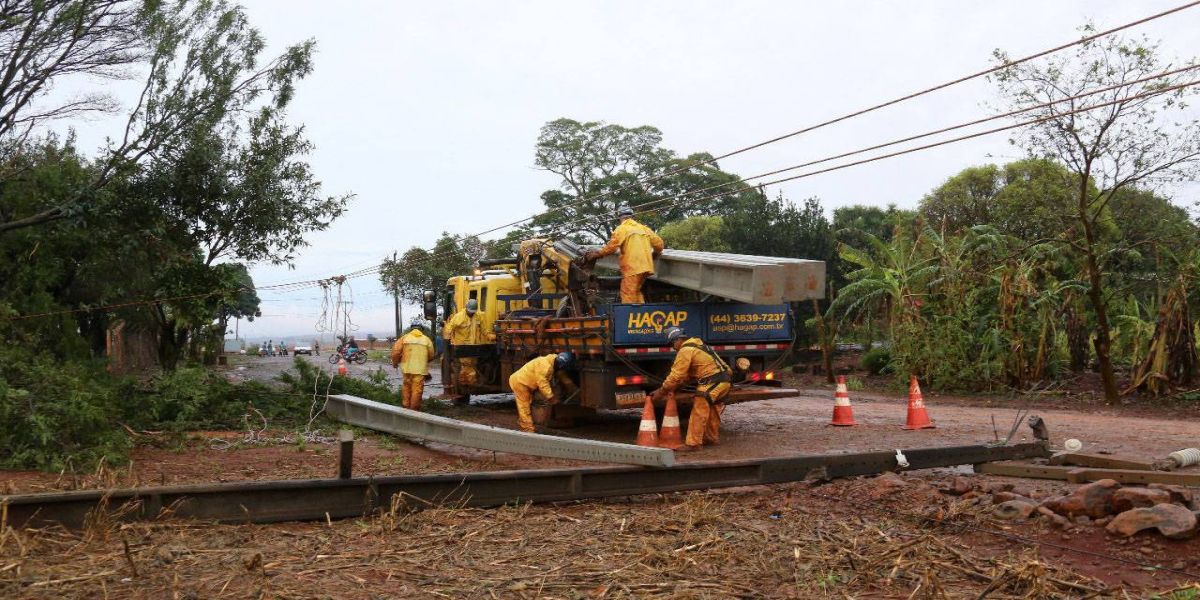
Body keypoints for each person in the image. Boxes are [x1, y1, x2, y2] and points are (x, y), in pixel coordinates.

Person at [649, 327, 732, 452]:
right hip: (725, 381)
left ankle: (693, 444)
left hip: (712, 382)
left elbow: (676, 376)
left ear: (678, 339)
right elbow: (688, 376)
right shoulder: (699, 345)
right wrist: (677, 387)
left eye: (672, 343)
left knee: (699, 408)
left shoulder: (685, 350)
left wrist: (661, 391)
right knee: (713, 410)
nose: (673, 347)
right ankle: (711, 438)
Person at [584, 204, 664, 304]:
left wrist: (598, 254)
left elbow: (612, 247)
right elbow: (659, 245)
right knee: (636, 292)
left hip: (633, 267)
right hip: (646, 267)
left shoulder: (622, 229)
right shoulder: (644, 228)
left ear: (620, 218)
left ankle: (629, 317)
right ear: (632, 217)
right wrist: (654, 255)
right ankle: (640, 315)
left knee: (627, 293)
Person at [509, 352, 574, 433]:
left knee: (527, 404)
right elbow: (542, 383)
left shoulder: (550, 360)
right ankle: (528, 429)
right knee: (524, 406)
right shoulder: (546, 367)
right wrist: (550, 397)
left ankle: (523, 421)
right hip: (520, 383)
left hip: (524, 382)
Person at [442, 298, 487, 400]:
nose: (471, 314)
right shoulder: (458, 317)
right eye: (470, 311)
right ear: (466, 308)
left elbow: (484, 329)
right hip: (462, 346)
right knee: (467, 366)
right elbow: (449, 327)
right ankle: (466, 386)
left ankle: (467, 385)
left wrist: (489, 335)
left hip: (474, 347)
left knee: (473, 365)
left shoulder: (479, 316)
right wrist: (447, 338)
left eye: (473, 312)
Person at [391, 317, 436, 410]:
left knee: (406, 387)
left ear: (411, 328)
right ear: (421, 328)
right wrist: (424, 361)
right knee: (417, 391)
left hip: (406, 369)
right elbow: (431, 355)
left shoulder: (404, 338)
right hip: (420, 371)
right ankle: (414, 411)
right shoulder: (426, 340)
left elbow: (395, 352)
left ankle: (405, 408)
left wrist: (395, 363)